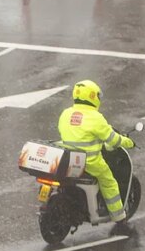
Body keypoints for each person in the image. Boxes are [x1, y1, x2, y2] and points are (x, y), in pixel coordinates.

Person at [57, 80, 135, 223]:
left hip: (69, 159)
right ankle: (118, 215)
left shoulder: (65, 113)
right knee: (109, 182)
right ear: (92, 96)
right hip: (91, 162)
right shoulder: (95, 118)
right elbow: (112, 140)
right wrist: (128, 142)